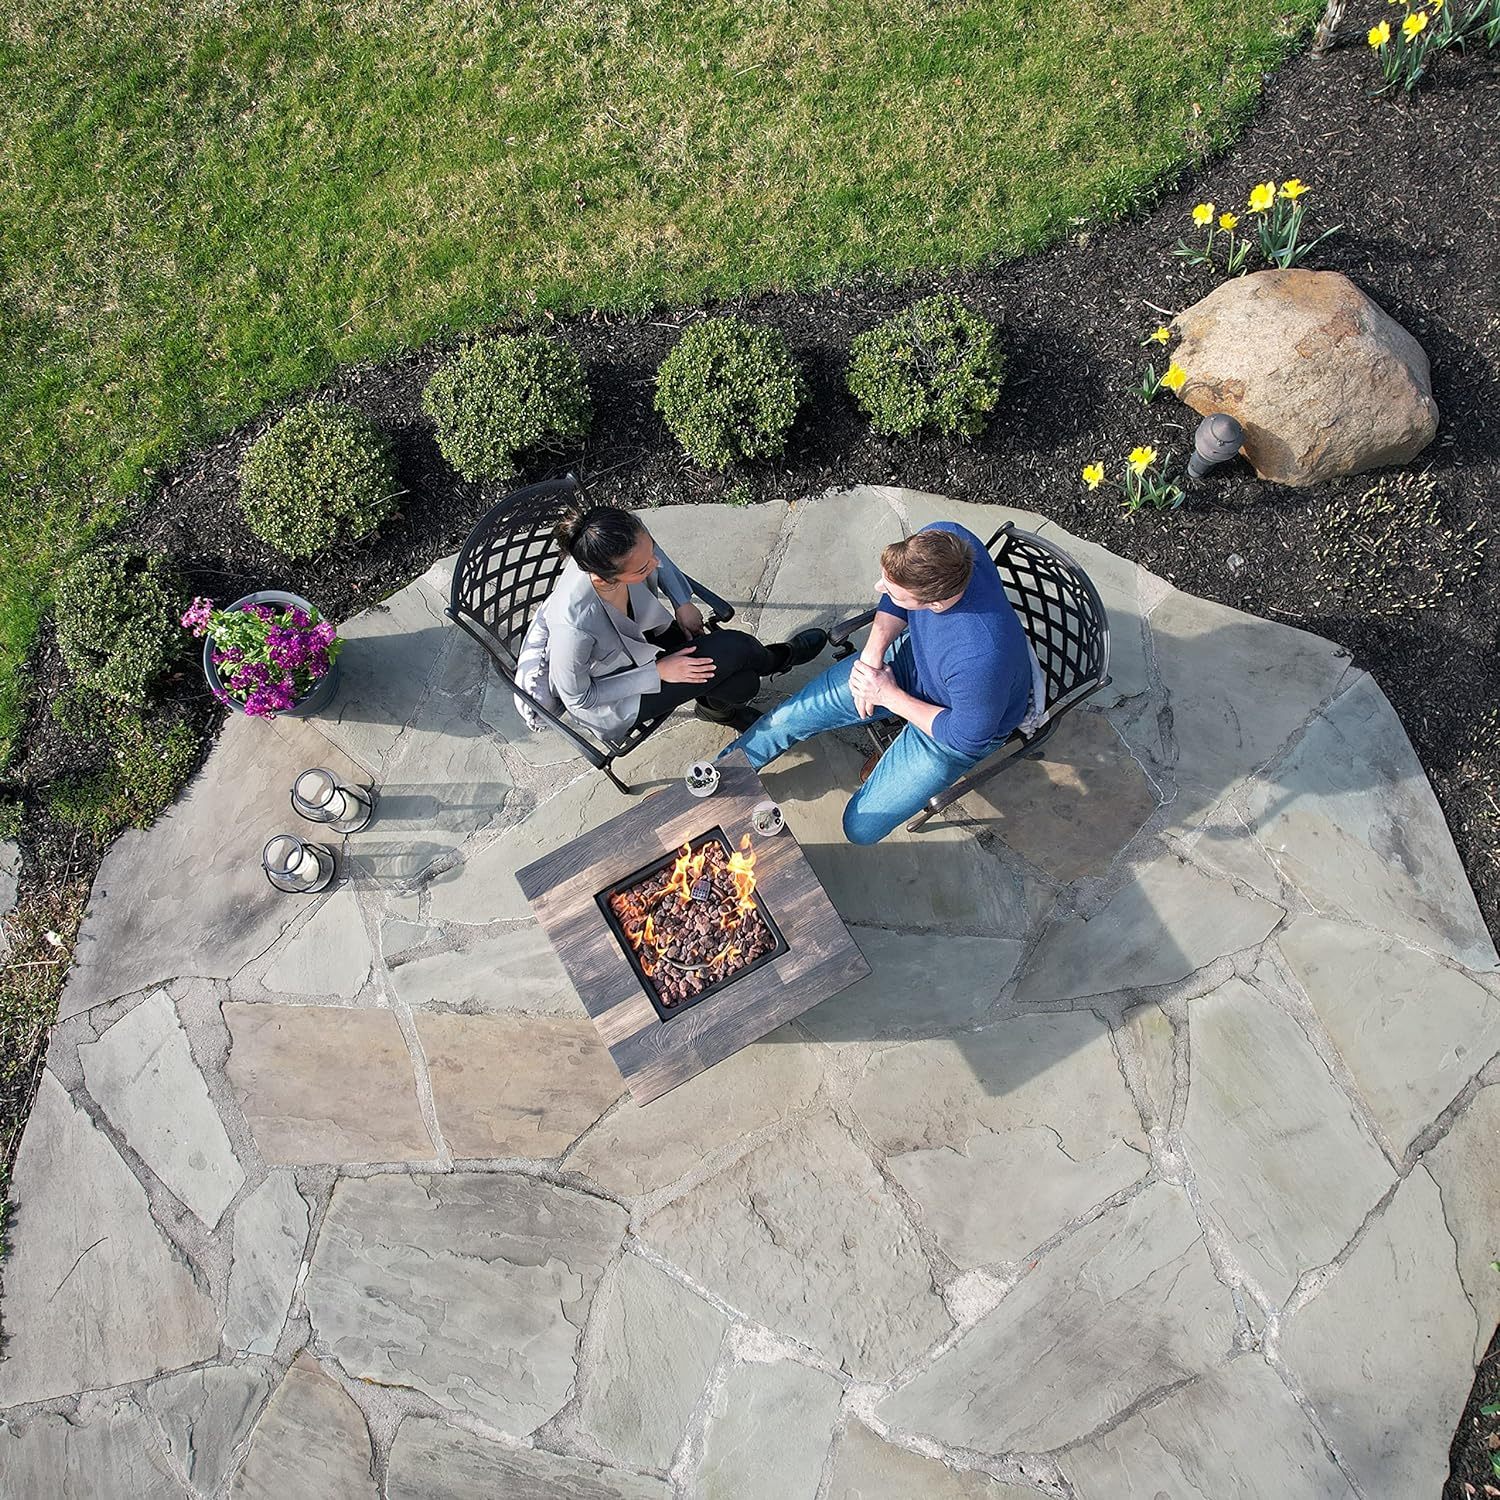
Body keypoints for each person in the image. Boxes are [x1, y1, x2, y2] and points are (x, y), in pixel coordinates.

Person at [719, 523, 1036, 844]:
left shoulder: (981, 656)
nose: (878, 588)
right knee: (788, 718)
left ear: (935, 604)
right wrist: (872, 656)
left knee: (859, 828)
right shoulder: (946, 539)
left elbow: (966, 738)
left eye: (893, 590)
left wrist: (889, 695)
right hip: (913, 664)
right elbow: (896, 597)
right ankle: (718, 778)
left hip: (950, 725)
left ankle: (900, 752)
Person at [519, 505, 827, 744]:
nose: (654, 565)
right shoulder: (572, 627)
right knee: (738, 658)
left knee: (742, 683)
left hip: (644, 636)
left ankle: (718, 705)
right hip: (620, 692)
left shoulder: (620, 546)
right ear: (605, 578)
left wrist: (682, 600)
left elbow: (654, 554)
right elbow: (579, 698)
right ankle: (779, 658)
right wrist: (657, 673)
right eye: (643, 568)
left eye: (649, 553)